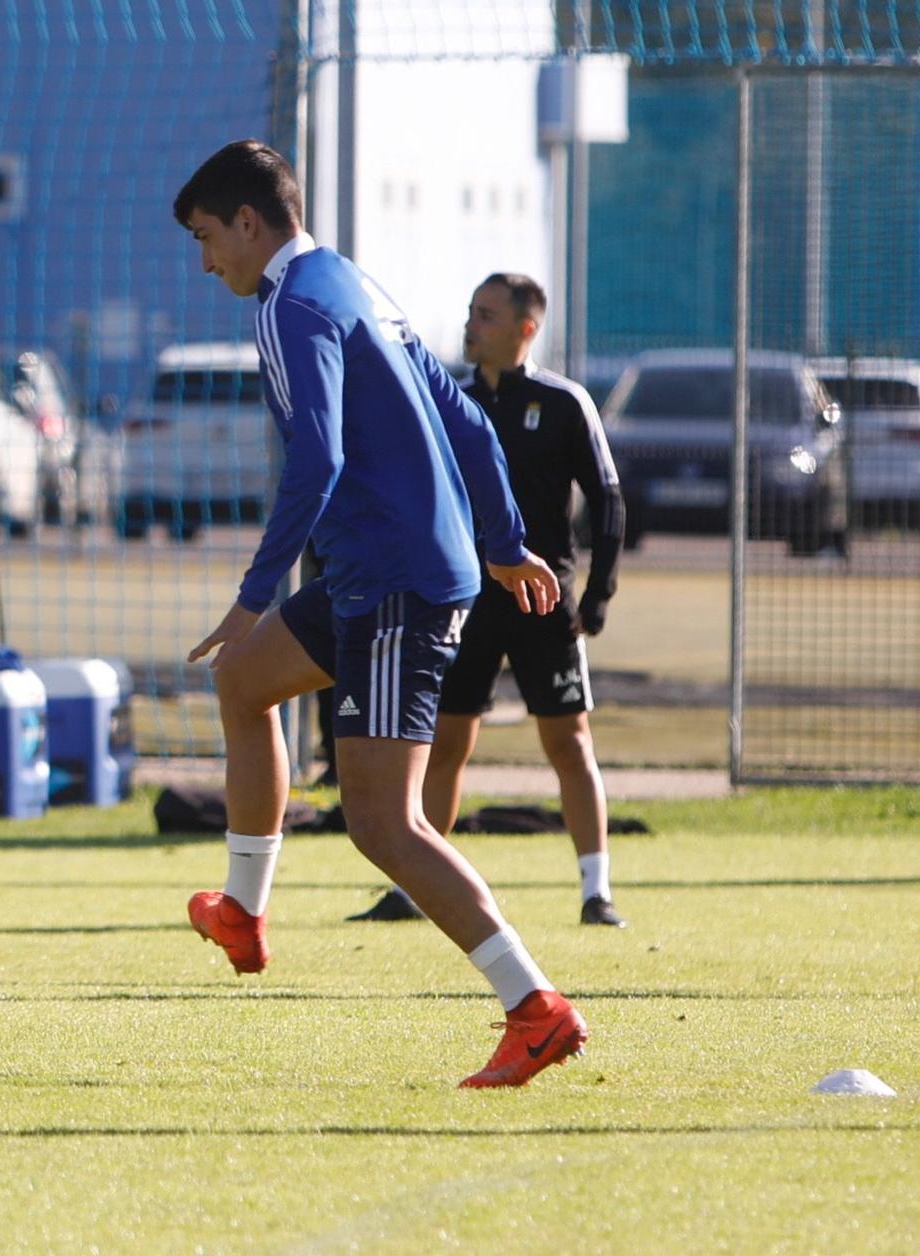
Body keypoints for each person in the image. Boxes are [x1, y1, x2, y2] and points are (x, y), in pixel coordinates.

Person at [175, 140, 586, 1087]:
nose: (205, 263)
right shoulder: (354, 284)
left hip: (398, 584)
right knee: (244, 682)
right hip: (377, 573)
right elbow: (469, 421)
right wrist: (501, 539)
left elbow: (314, 462)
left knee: (385, 823)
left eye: (207, 238)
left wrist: (251, 595)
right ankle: (242, 912)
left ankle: (536, 1007)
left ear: (248, 222)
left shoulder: (291, 305)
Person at [351, 275, 629, 928]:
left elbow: (608, 497)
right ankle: (413, 888)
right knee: (444, 742)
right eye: (471, 312)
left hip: (541, 601)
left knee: (569, 742)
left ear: (524, 328)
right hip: (464, 599)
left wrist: (596, 595)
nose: (471, 325)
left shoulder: (563, 402)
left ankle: (596, 891)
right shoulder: (449, 397)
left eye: (486, 314)